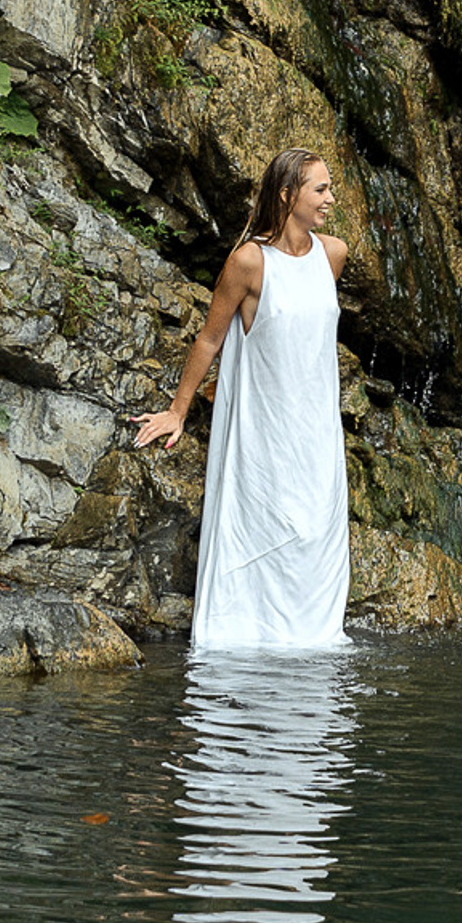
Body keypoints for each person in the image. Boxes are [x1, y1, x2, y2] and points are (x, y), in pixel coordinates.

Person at [134, 148, 353, 652]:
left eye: (329, 187)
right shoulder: (249, 261)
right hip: (266, 432)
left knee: (315, 542)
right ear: (286, 194)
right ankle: (246, 657)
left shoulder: (333, 254)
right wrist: (178, 411)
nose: (330, 198)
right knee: (262, 530)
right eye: (319, 189)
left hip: (318, 434)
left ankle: (310, 664)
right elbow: (210, 339)